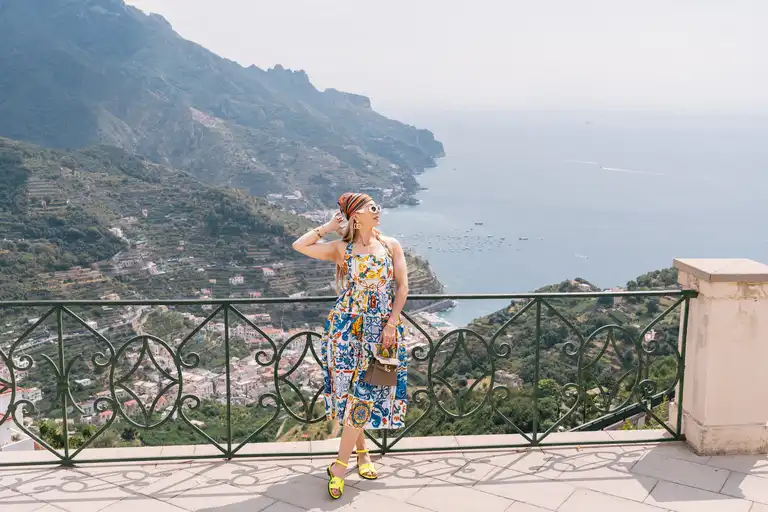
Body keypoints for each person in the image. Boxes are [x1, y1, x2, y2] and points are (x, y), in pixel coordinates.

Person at [292, 192, 409, 499]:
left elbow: (403, 287)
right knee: (351, 394)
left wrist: (392, 323)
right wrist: (329, 226)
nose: (379, 211)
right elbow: (299, 245)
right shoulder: (341, 248)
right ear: (356, 214)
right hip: (345, 329)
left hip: (381, 331)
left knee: (366, 393)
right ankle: (361, 454)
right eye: (373, 207)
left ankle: (339, 466)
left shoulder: (391, 245)